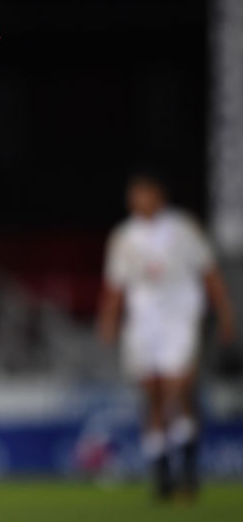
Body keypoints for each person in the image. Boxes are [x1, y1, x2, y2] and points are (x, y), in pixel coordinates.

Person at [98, 171, 237, 500]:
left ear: (159, 196)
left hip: (180, 318)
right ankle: (162, 473)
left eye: (144, 194)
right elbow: (116, 285)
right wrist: (108, 319)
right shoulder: (124, 237)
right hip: (144, 323)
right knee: (153, 395)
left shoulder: (183, 229)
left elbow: (209, 272)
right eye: (135, 195)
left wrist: (226, 313)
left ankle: (187, 466)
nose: (139, 201)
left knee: (178, 388)